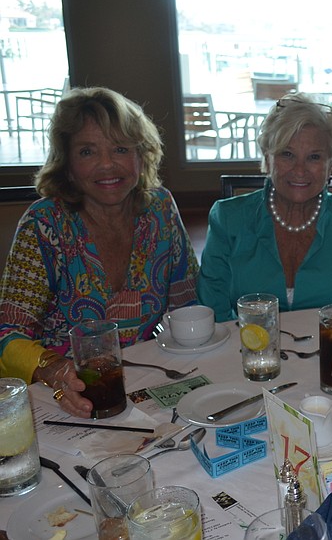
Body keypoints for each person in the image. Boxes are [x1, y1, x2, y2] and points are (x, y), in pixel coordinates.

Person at [0, 86, 199, 417]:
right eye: (88, 152)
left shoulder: (160, 208)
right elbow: (8, 335)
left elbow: (189, 303)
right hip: (64, 396)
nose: (107, 165)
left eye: (120, 148)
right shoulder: (44, 224)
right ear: (67, 164)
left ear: (141, 154)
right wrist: (52, 369)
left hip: (153, 385)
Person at [198, 93, 332, 320]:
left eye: (314, 157)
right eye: (287, 154)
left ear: (331, 164)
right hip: (249, 351)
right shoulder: (227, 219)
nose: (300, 170)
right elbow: (213, 312)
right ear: (267, 158)